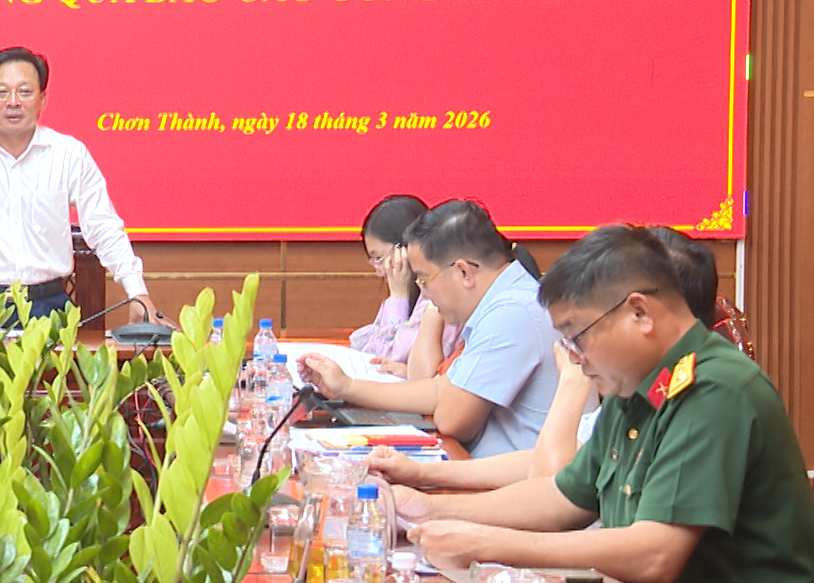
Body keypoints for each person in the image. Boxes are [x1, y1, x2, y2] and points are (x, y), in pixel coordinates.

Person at [395, 224, 814, 583]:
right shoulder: (640, 387)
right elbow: (563, 496)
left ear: (639, 313)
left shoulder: (715, 390)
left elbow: (655, 553)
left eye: (578, 336)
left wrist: (486, 545)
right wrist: (427, 512)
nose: (573, 356)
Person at [371, 225, 723, 491]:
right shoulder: (632, 393)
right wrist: (424, 478)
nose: (571, 348)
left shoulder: (707, 395)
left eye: (581, 332)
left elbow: (551, 487)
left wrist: (573, 381)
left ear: (641, 314)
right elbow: (546, 471)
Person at [0, 46, 172, 326]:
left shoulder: (68, 154)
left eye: (25, 92)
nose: (13, 102)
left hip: (49, 307)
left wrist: (137, 293)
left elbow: (104, 227)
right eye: (2, 92)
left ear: (42, 99)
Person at [301, 199, 558, 458]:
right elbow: (438, 389)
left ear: (464, 272)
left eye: (424, 279)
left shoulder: (511, 313)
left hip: (508, 476)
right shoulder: (504, 301)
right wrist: (346, 387)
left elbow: (451, 420)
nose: (424, 293)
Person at [351, 194, 460, 370]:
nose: (379, 271)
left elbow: (386, 357)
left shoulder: (437, 294)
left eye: (379, 258)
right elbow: (366, 347)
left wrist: (398, 297)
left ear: (405, 248)